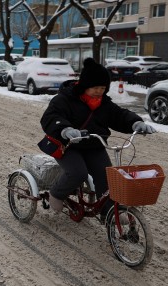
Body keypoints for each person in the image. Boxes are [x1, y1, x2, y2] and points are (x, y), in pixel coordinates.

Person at [40, 57, 156, 219]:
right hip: (68, 146)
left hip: (94, 145)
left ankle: (107, 212)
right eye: (95, 87)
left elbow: (119, 115)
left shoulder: (104, 103)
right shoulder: (64, 99)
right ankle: (57, 193)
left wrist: (136, 122)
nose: (99, 91)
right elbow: (51, 117)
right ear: (84, 85)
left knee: (107, 176)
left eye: (103, 87)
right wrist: (65, 129)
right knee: (77, 173)